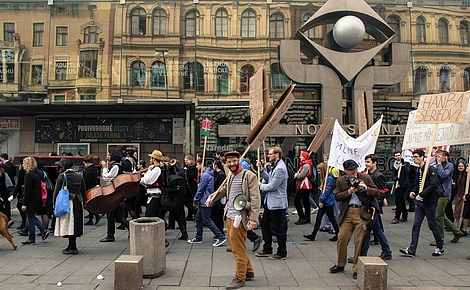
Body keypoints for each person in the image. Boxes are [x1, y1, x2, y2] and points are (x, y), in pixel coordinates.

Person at [206, 150, 261, 290]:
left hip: (240, 217)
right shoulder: (230, 175)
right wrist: (212, 197)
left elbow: (255, 198)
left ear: (239, 160)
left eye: (234, 161)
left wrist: (253, 218)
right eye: (229, 162)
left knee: (237, 249)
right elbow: (224, 189)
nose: (232, 164)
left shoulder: (249, 176)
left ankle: (240, 277)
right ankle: (248, 271)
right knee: (238, 246)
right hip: (229, 215)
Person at [328, 159, 379, 280]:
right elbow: (337, 196)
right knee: (342, 238)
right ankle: (340, 264)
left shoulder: (365, 178)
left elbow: (376, 192)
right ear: (345, 170)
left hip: (361, 212)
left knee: (359, 240)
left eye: (355, 169)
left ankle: (357, 268)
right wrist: (349, 192)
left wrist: (366, 188)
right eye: (351, 170)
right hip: (347, 212)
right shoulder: (341, 180)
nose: (354, 172)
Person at [399, 149, 444, 257]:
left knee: (432, 225)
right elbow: (417, 184)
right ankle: (412, 249)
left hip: (429, 202)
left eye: (416, 157)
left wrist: (422, 194)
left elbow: (433, 184)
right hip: (420, 203)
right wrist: (414, 191)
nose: (414, 159)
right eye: (413, 157)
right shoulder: (418, 170)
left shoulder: (430, 169)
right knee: (416, 225)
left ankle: (440, 246)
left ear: (422, 157)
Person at [255, 146, 288, 260]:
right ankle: (267, 248)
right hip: (270, 202)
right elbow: (270, 179)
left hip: (276, 203)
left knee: (277, 228)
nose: (268, 156)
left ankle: (282, 252)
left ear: (277, 155)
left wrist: (260, 185)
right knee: (265, 224)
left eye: (270, 154)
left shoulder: (280, 168)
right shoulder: (276, 166)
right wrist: (262, 171)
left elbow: (272, 186)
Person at [188, 159, 227, 246]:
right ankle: (198, 237)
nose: (197, 167)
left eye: (197, 165)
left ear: (201, 164)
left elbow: (201, 189)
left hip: (205, 200)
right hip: (204, 199)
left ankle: (220, 236)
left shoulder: (205, 175)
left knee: (207, 220)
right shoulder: (209, 174)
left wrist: (195, 200)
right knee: (199, 218)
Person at [362, 154, 392, 260]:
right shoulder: (368, 174)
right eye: (366, 162)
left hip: (373, 207)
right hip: (370, 205)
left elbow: (380, 192)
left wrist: (375, 206)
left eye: (368, 162)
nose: (366, 164)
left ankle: (362, 254)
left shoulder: (378, 176)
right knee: (377, 230)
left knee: (369, 230)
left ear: (375, 163)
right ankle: (386, 251)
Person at [53, 158, 86, 255]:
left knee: (68, 224)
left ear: (63, 167)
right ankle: (72, 245)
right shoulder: (79, 176)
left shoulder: (62, 176)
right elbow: (83, 190)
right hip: (77, 201)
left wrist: (54, 203)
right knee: (75, 224)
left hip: (66, 202)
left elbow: (57, 191)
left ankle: (72, 247)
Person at [431, 150, 463, 245]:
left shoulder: (449, 166)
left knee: (438, 216)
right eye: (437, 156)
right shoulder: (435, 165)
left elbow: (443, 175)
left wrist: (439, 165)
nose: (438, 158)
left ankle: (440, 239)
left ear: (446, 157)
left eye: (440, 156)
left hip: (444, 193)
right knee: (442, 216)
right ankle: (457, 232)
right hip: (437, 193)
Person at [303, 163, 339, 242]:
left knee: (331, 218)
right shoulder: (327, 178)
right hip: (326, 201)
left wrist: (321, 200)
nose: (318, 173)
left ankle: (338, 233)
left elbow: (326, 191)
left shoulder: (329, 178)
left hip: (328, 202)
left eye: (319, 171)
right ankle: (313, 235)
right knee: (319, 219)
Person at [20, 157, 50, 245]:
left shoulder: (28, 175)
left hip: (31, 199)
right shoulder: (37, 174)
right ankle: (41, 232)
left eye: (24, 163)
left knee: (30, 217)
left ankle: (34, 236)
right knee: (31, 216)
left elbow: (27, 190)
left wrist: (25, 203)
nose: (22, 165)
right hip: (37, 198)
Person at [99, 147, 125, 242]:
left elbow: (107, 178)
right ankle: (130, 228)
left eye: (109, 154)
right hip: (114, 192)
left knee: (111, 214)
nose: (107, 156)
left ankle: (110, 235)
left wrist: (104, 168)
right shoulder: (116, 166)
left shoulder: (116, 167)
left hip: (114, 193)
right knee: (115, 215)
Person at [391, 151, 411, 224]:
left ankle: (397, 217)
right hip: (398, 185)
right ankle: (404, 216)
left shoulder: (406, 164)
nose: (398, 157)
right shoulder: (394, 165)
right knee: (401, 200)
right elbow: (392, 174)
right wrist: (395, 178)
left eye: (399, 155)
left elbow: (408, 172)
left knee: (398, 200)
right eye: (396, 156)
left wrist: (403, 165)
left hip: (404, 185)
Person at [293, 151, 313, 225]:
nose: (300, 157)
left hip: (304, 186)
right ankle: (307, 218)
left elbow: (301, 176)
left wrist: (296, 175)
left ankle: (302, 217)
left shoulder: (306, 165)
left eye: (301, 156)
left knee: (296, 201)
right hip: (305, 186)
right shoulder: (306, 165)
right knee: (306, 202)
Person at [83, 154, 101, 225]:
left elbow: (86, 181)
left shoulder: (89, 171)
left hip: (89, 189)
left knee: (88, 204)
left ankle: (95, 215)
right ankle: (92, 217)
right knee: (90, 204)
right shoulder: (94, 169)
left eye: (84, 163)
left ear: (87, 162)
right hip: (93, 188)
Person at [453, 161, 469, 233]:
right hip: (459, 195)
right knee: (457, 211)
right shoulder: (457, 175)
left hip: (465, 195)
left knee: (463, 212)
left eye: (462, 166)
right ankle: (457, 227)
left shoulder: (466, 175)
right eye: (459, 166)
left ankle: (463, 228)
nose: (461, 168)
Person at [0, 153, 15, 225]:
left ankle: (8, 219)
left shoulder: (1, 174)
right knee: (4, 204)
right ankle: (8, 218)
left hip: (1, 192)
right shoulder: (4, 171)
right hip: (5, 190)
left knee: (1, 207)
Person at [184, 155, 197, 221]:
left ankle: (194, 212)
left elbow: (192, 176)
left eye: (187, 160)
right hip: (190, 185)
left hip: (191, 186)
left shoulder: (192, 168)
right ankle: (190, 214)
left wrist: (187, 172)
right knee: (189, 200)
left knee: (187, 200)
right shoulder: (188, 167)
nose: (185, 161)